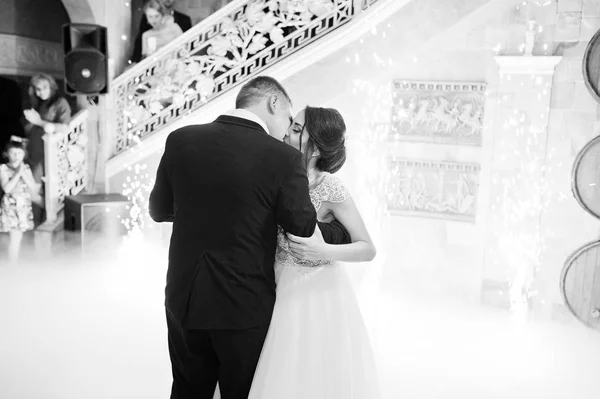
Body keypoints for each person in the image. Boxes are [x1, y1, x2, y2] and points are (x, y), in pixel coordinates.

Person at [149, 75, 352, 399]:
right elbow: (301, 229)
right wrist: (339, 230)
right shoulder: (282, 158)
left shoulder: (181, 139)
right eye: (289, 119)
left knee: (188, 390)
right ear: (274, 103)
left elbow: (158, 210)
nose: (287, 130)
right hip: (242, 305)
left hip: (183, 297)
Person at [247, 106, 381, 399]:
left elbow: (367, 248)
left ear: (317, 148)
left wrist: (323, 249)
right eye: (291, 125)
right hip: (275, 281)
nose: (286, 133)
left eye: (296, 130)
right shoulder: (278, 174)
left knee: (308, 370)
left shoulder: (330, 187)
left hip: (317, 291)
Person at [23, 73, 71, 225]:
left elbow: (64, 127)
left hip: (47, 152)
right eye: (37, 89)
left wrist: (39, 121)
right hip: (33, 150)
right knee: (28, 189)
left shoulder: (60, 102)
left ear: (51, 87)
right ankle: (40, 219)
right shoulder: (38, 104)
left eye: (44, 88)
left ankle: (53, 212)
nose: (41, 92)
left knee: (32, 191)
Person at [0, 137, 37, 262]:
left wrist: (22, 172)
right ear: (7, 153)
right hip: (11, 206)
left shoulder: (25, 168)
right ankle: (13, 265)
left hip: (23, 205)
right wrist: (17, 173)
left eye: (19, 153)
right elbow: (7, 188)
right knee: (14, 238)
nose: (16, 156)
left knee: (18, 238)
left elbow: (33, 187)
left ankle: (15, 263)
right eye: (13, 152)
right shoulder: (3, 168)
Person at [0, 77, 26, 163]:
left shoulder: (10, 85)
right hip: (11, 128)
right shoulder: (11, 84)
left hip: (10, 130)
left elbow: (17, 111)